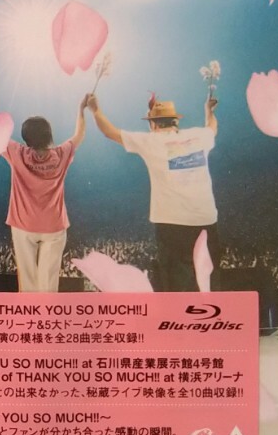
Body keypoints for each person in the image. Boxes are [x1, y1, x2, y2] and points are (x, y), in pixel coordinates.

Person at [87, 91, 219, 291]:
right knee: (208, 280)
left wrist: (95, 110)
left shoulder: (151, 141)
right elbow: (212, 127)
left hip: (172, 223)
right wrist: (208, 110)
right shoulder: (199, 136)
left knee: (176, 283)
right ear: (175, 122)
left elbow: (110, 132)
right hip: (206, 220)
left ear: (153, 124)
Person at [0, 96, 89, 292]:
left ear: (26, 138)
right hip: (54, 226)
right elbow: (80, 134)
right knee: (48, 284)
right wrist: (81, 109)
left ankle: (29, 310)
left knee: (28, 283)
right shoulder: (61, 154)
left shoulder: (18, 153)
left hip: (24, 226)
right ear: (49, 135)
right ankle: (47, 311)